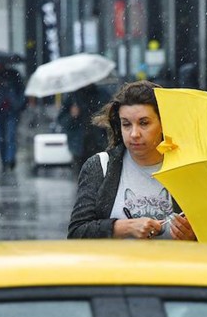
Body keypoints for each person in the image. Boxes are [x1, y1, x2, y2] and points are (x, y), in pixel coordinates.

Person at [67, 80, 197, 241]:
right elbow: (77, 233)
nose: (134, 133)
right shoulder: (100, 166)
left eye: (144, 123)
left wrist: (193, 237)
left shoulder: (188, 170)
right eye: (126, 124)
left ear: (163, 123)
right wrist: (123, 228)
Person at [57, 83, 109, 171]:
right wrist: (72, 115)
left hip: (99, 143)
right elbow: (62, 120)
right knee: (81, 177)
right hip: (79, 146)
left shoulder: (102, 94)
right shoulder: (73, 96)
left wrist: (106, 121)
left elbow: (113, 115)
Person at [0, 62, 26, 171]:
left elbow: (21, 90)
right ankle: (4, 160)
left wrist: (19, 104)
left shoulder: (14, 74)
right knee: (1, 137)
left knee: (11, 135)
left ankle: (10, 159)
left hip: (12, 109)